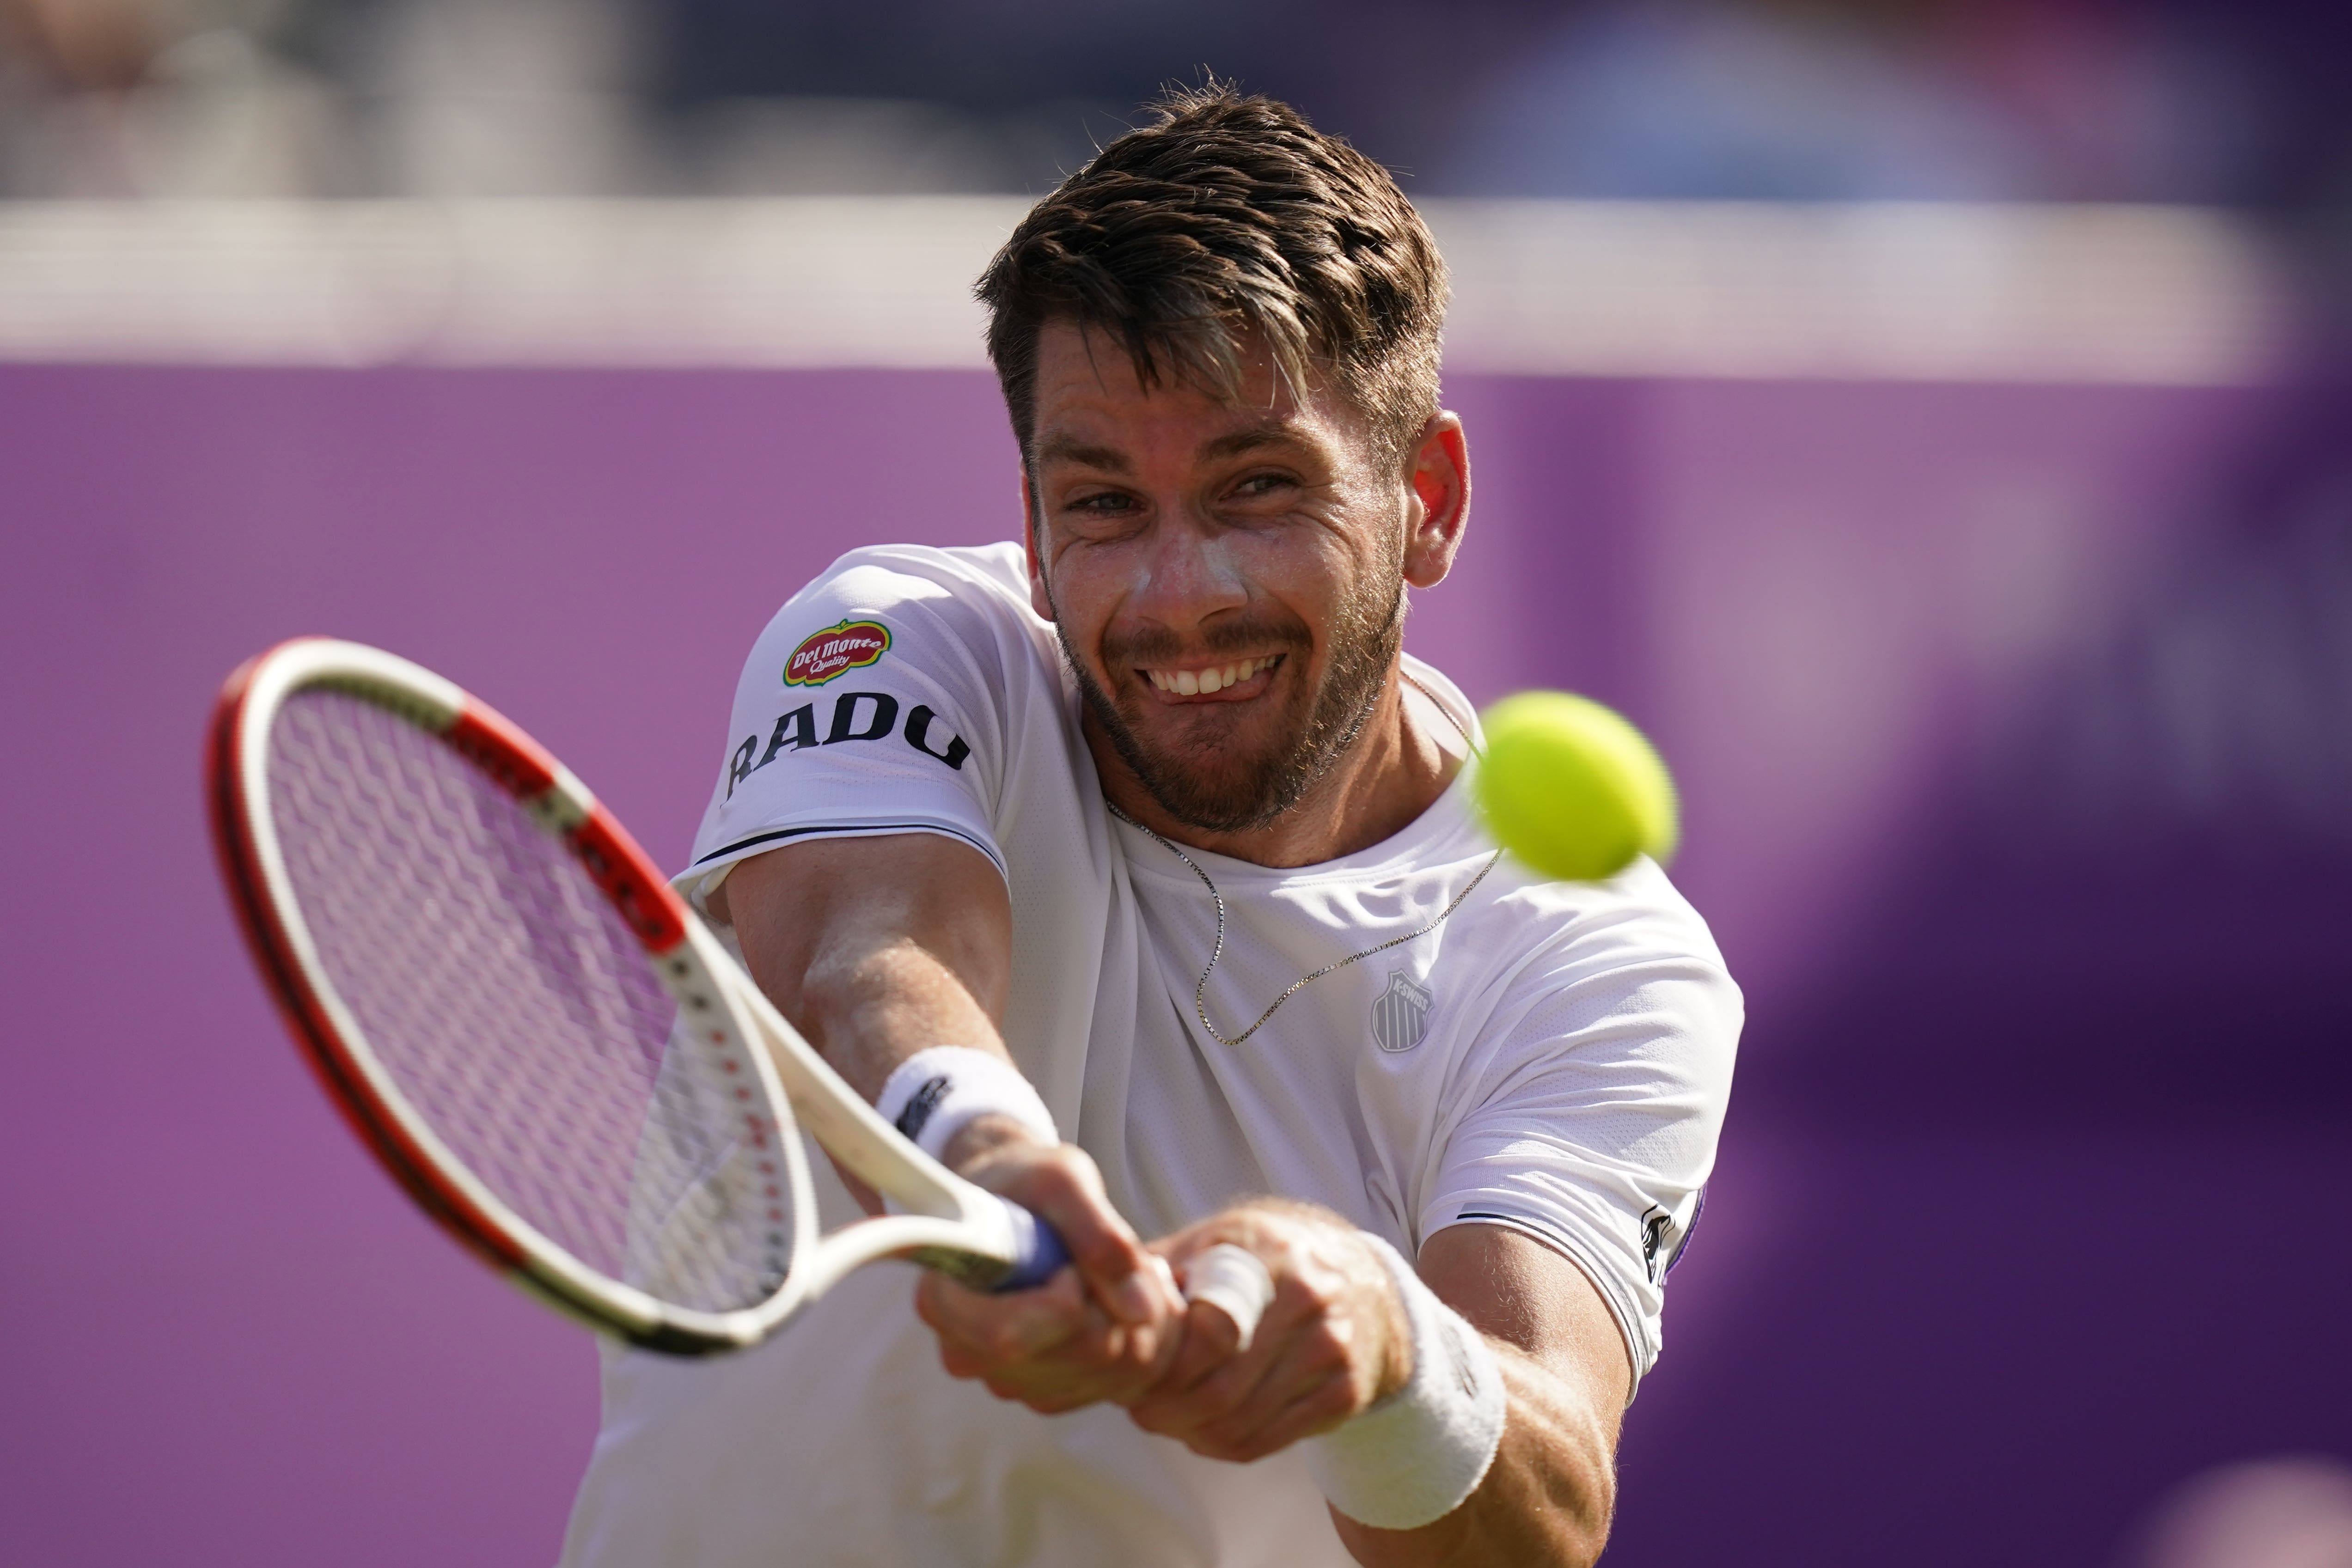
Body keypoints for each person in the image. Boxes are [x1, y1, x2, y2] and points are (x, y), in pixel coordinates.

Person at [562, 85, 1740, 1568]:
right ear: (1035, 523)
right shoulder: (903, 639)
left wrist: (1384, 1350)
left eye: (1258, 487)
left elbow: (1543, 1513)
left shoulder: (1603, 962)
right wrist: (983, 1163)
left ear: (1424, 499)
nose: (1181, 592)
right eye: (1105, 502)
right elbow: (863, 956)